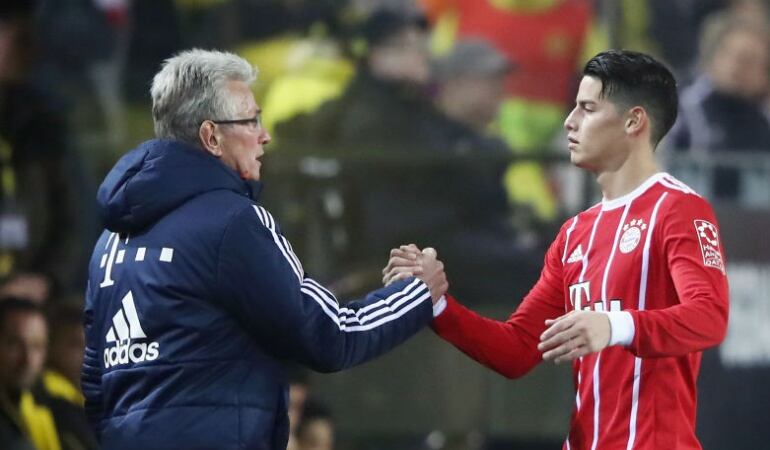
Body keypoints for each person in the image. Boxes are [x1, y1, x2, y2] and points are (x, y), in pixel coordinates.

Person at [81, 49, 448, 450]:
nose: (264, 134)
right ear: (211, 136)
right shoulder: (233, 222)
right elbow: (328, 334)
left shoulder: (111, 241)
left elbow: (96, 385)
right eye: (251, 120)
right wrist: (415, 293)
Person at [384, 50, 730, 449]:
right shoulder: (575, 234)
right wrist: (436, 304)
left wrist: (615, 325)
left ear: (634, 121)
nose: (569, 121)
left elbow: (709, 316)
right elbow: (516, 350)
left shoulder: (680, 209)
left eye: (587, 109)